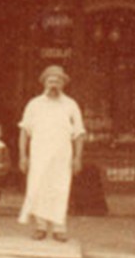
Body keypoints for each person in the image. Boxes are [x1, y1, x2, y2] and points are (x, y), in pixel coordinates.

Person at [18, 65, 86, 242]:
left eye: (58, 80)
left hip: (62, 155)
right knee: (38, 187)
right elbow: (24, 131)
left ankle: (59, 227)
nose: (54, 83)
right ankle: (40, 227)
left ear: (63, 83)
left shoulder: (71, 105)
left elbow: (79, 133)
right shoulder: (34, 104)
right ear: (44, 82)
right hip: (39, 154)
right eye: (50, 80)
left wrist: (78, 157)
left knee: (60, 188)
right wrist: (23, 156)